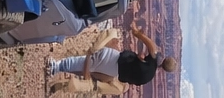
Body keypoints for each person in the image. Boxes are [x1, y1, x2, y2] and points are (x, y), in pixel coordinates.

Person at [48, 26, 179, 93]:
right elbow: (132, 79)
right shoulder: (148, 78)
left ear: (165, 58)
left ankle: (56, 66)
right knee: (89, 68)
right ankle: (58, 69)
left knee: (88, 61)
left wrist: (137, 34)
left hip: (116, 60)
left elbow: (149, 44)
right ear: (164, 71)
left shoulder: (153, 58)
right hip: (113, 74)